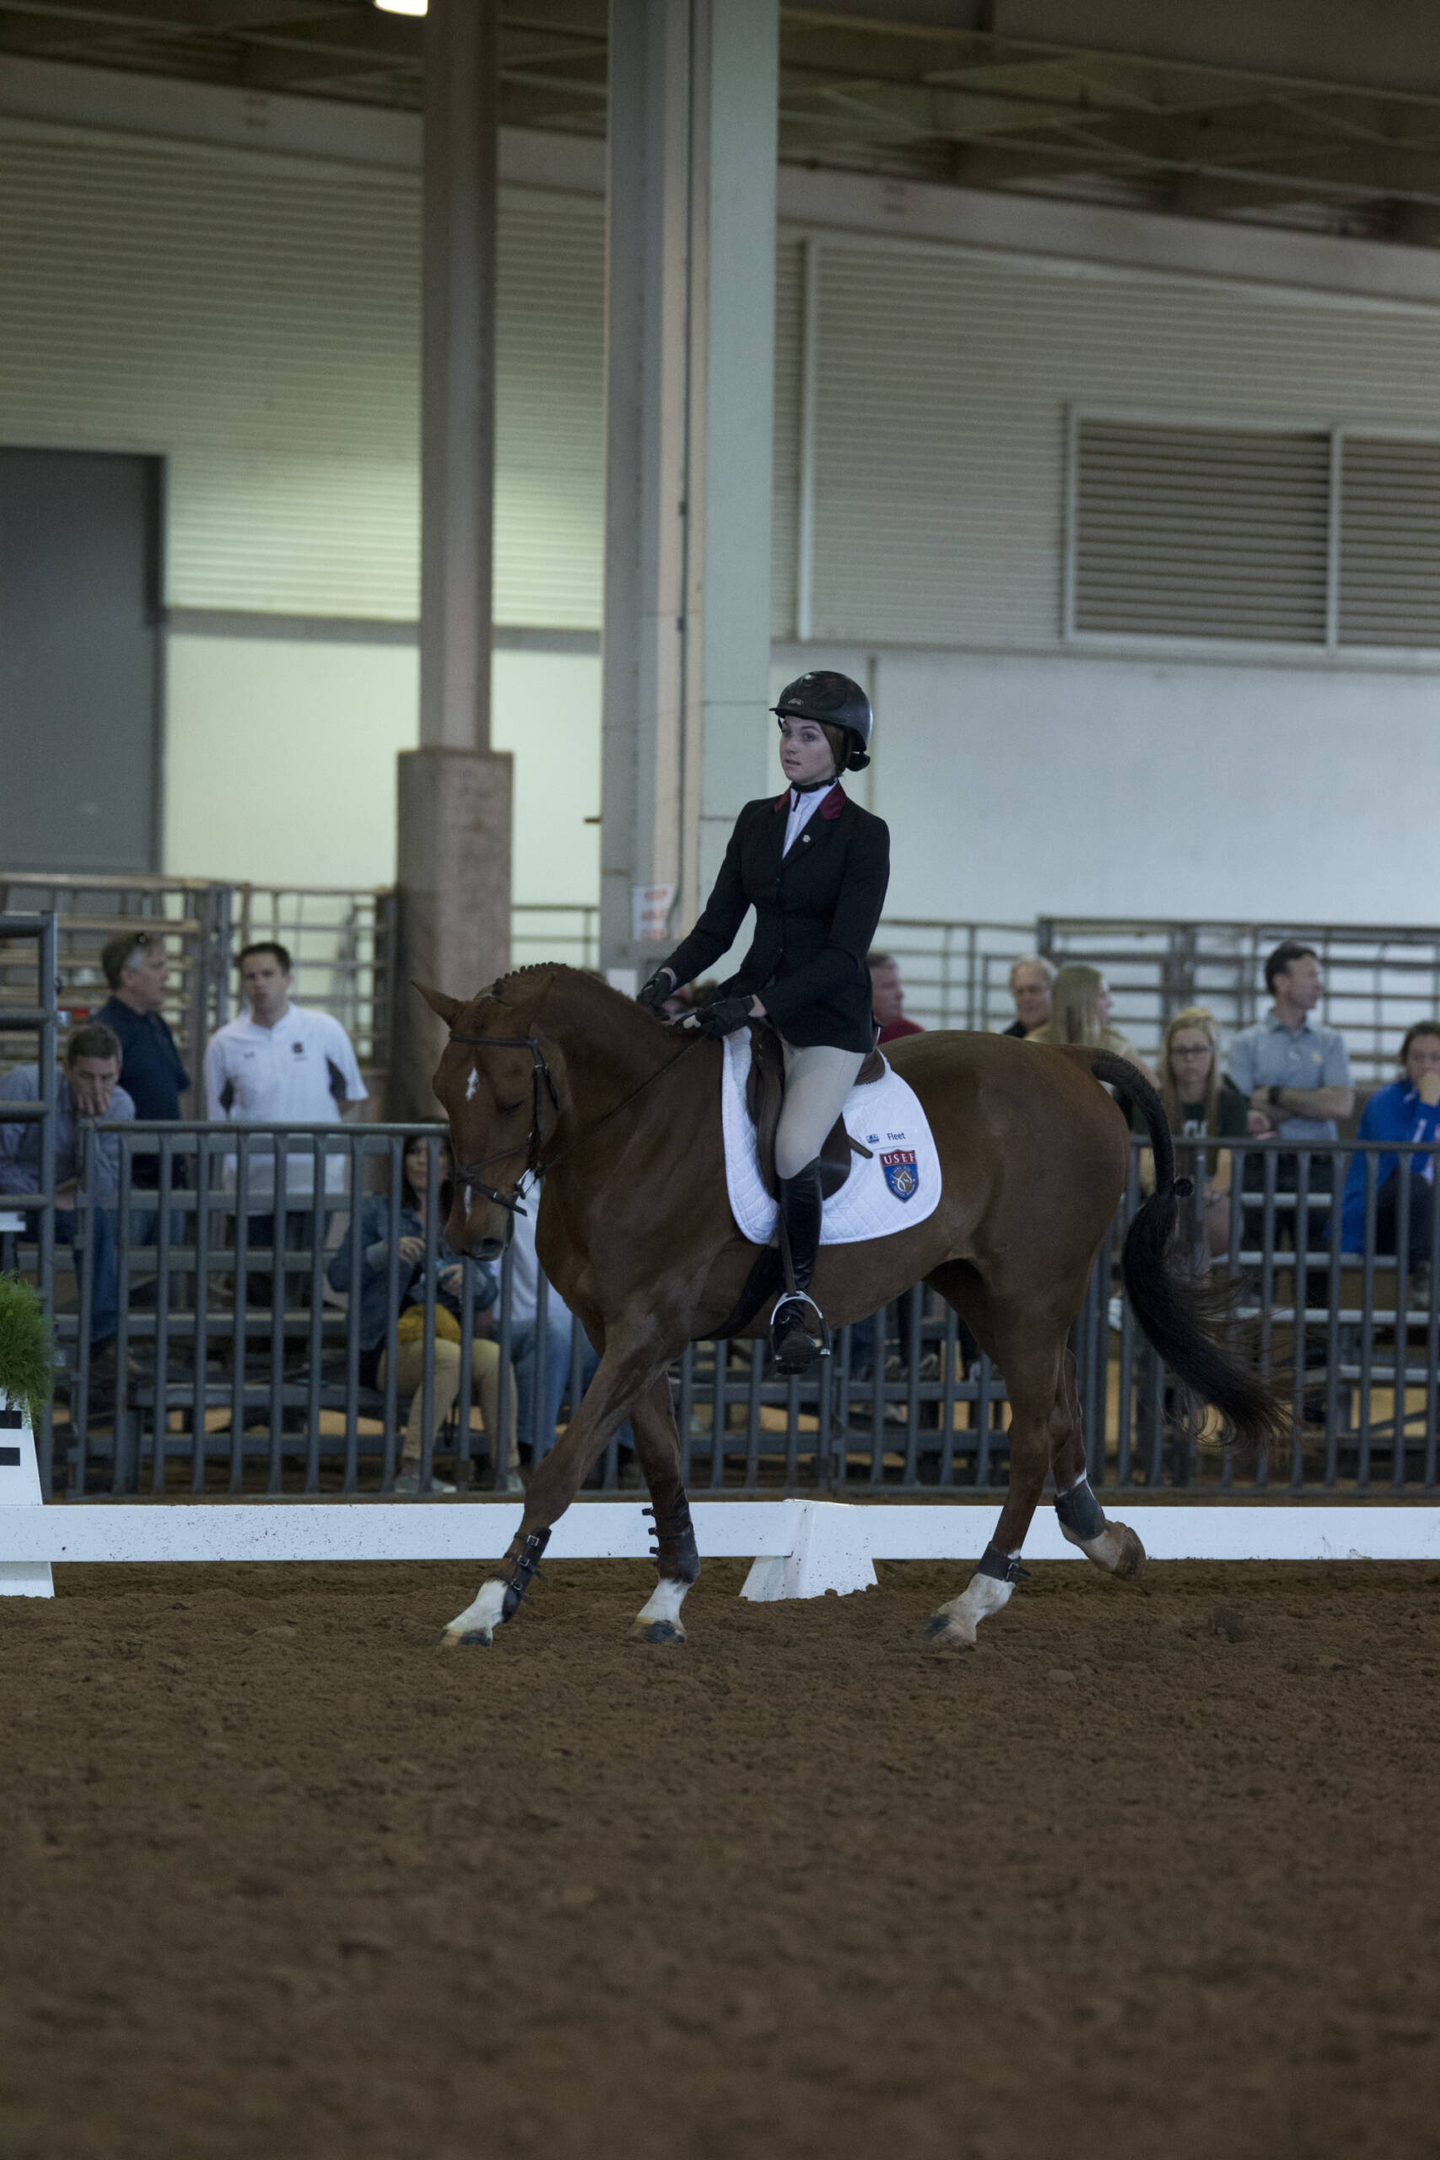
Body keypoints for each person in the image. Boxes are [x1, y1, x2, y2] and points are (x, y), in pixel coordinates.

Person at [636, 669, 889, 1372]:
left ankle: (797, 1301)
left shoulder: (865, 836)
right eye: (786, 731)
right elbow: (718, 925)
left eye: (807, 735)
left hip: (825, 1023)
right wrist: (666, 978)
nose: (790, 745)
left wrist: (757, 1005)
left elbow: (845, 955)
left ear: (842, 747)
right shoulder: (756, 820)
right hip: (749, 1001)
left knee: (792, 1147)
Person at [327, 1136, 517, 1494]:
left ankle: (506, 1472)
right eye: (414, 1152)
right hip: (382, 1344)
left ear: (450, 1164)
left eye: (434, 1153)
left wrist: (470, 1280)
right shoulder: (376, 1211)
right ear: (402, 1160)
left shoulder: (462, 1217)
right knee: (445, 1357)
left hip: (448, 1338)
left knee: (493, 1357)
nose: (421, 1161)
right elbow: (337, 1276)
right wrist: (382, 1252)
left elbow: (488, 1293)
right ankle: (412, 1471)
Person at [203, 942, 369, 1305]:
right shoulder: (224, 1044)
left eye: (268, 974)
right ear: (241, 983)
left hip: (314, 1176)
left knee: (306, 1272)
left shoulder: (324, 1030)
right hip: (252, 1180)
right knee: (257, 1277)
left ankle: (302, 1359)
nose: (260, 984)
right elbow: (218, 1117)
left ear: (287, 978)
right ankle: (254, 1357)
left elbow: (351, 1095)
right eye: (250, 976)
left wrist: (311, 1123)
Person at [0, 1023, 135, 1369]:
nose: (97, 1087)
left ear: (118, 1072)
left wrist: (91, 1128)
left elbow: (103, 1187)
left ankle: (101, 1344)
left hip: (55, 1201)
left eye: (107, 1078)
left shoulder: (119, 1106)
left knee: (99, 1224)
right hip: (11, 1199)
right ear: (67, 1069)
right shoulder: (26, 1084)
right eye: (87, 1076)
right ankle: (9, 1337)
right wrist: (43, 1198)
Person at [1225, 941, 1353, 1255]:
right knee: (1253, 1261)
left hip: (1317, 1164)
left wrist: (1274, 1094)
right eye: (1310, 975)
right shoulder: (1245, 1043)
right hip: (1258, 1162)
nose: (1319, 984)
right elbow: (1240, 1108)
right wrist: (1313, 1103)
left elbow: (1340, 1105)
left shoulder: (1331, 1041)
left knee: (1318, 1266)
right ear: (1281, 982)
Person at [1338, 1022, 1440, 1285]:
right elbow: (1410, 1163)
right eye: (1417, 1058)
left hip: (1428, 1217)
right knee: (1415, 1185)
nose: (1427, 1066)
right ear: (1405, 1062)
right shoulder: (1385, 1101)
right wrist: (1427, 1106)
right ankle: (1423, 1281)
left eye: (1436, 1058)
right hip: (1381, 1213)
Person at [1149, 1007, 1249, 1258]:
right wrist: (1169, 1192)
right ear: (1169, 1056)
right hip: (1165, 1198)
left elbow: (1227, 1164)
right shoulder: (1154, 1101)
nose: (1190, 1059)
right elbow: (1146, 1163)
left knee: (1197, 1223)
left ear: (1213, 1054)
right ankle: (1187, 1292)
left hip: (1214, 1201)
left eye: (1199, 1050)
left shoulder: (1231, 1103)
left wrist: (1212, 1191)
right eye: (1181, 1051)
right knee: (1172, 1223)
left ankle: (1191, 1291)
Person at [1029, 963, 1152, 1080]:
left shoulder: (1116, 1046)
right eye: (1103, 995)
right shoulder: (1035, 1045)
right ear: (1082, 1002)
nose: (1110, 1003)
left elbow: (1154, 1093)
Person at [868, 951, 922, 1044]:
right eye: (888, 986)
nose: (900, 994)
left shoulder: (911, 1034)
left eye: (897, 985)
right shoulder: (844, 1036)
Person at [1001, 956, 1053, 1039]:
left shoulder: (1070, 1038)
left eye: (1034, 990)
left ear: (1053, 991)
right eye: (1019, 992)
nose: (1026, 998)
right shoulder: (1006, 1042)